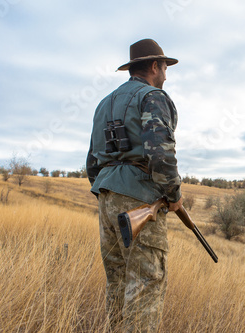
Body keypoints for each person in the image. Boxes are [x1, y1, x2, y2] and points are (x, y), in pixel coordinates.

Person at [86, 38, 183, 333]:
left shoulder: (104, 103)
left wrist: (108, 192)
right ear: (154, 66)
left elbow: (92, 160)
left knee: (117, 281)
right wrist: (174, 195)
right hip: (140, 201)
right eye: (165, 67)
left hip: (106, 200)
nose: (166, 74)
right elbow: (160, 153)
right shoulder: (152, 96)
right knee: (144, 286)